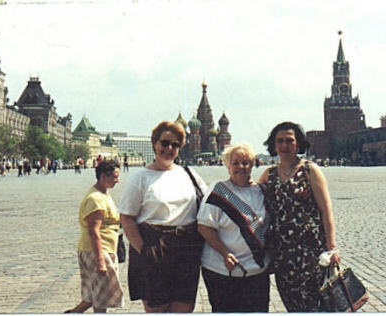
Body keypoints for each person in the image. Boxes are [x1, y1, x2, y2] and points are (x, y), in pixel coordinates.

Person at [118, 121, 207, 313]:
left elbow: (209, 207)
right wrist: (144, 250)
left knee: (184, 307)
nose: (169, 148)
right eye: (165, 143)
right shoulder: (140, 177)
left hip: (187, 248)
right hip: (154, 246)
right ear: (155, 144)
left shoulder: (189, 174)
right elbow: (126, 218)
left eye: (175, 145)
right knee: (157, 308)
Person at [258, 121, 340, 312]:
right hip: (283, 254)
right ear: (273, 144)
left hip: (311, 252)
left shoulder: (310, 170)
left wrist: (332, 247)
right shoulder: (268, 174)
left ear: (298, 143)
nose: (284, 145)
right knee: (292, 303)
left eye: (289, 140)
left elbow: (326, 210)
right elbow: (251, 200)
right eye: (280, 141)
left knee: (316, 304)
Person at [197, 144, 271, 312]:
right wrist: (225, 253)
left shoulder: (261, 191)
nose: (240, 167)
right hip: (222, 272)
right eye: (235, 163)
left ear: (252, 165)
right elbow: (204, 227)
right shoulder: (219, 190)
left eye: (245, 163)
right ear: (228, 165)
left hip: (256, 272)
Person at [65, 161, 123, 313]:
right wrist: (101, 261)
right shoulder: (95, 199)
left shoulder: (104, 194)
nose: (118, 180)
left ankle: (73, 313)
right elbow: (94, 232)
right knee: (100, 299)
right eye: (115, 177)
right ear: (103, 176)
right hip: (97, 251)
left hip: (103, 249)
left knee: (93, 295)